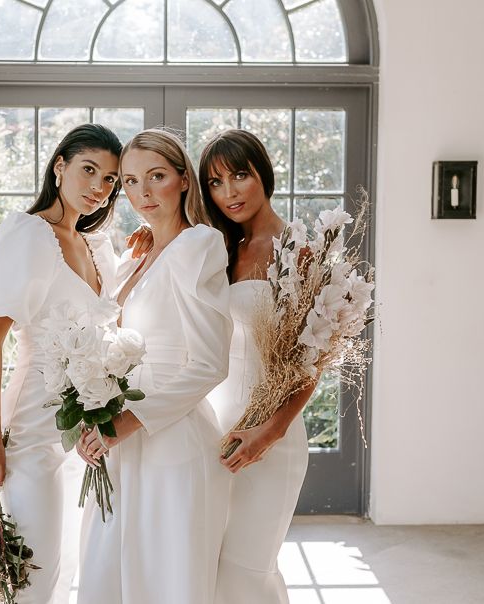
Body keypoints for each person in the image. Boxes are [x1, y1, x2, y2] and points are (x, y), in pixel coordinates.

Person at [0, 123, 151, 604]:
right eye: (89, 170)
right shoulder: (31, 236)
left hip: (84, 433)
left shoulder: (92, 244)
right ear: (59, 166)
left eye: (110, 179)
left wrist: (143, 259)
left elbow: (105, 319)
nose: (99, 187)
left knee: (67, 568)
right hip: (32, 435)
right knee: (34, 572)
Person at [76, 129, 233, 604]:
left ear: (184, 180)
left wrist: (127, 422)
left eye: (156, 177)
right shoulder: (133, 256)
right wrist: (94, 413)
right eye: (129, 181)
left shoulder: (199, 246)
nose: (141, 192)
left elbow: (209, 363)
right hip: (117, 439)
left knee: (166, 579)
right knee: (107, 568)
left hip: (171, 439)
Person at [199, 128, 316, 604]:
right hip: (215, 428)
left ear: (263, 174)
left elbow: (312, 360)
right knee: (214, 568)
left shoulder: (298, 251)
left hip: (272, 437)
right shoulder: (221, 250)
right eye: (215, 182)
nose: (228, 192)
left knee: (246, 570)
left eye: (239, 176)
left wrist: (270, 431)